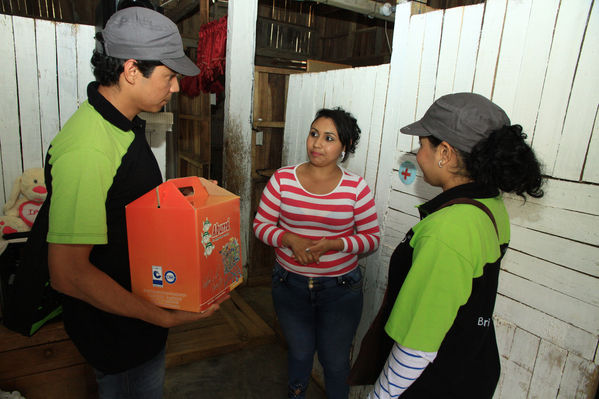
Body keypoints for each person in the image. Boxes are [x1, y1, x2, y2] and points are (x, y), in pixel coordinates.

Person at [25, 7, 227, 399]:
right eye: (169, 76)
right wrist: (164, 317)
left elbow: (124, 205)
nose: (173, 88)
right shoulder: (89, 146)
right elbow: (69, 273)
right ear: (132, 70)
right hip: (119, 331)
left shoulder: (122, 123)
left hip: (135, 315)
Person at [351, 93, 543, 398]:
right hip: (471, 366)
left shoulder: (449, 229)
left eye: (422, 144)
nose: (418, 154)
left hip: (435, 381)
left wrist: (380, 395)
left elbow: (418, 345)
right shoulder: (489, 205)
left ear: (445, 153)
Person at [253, 108, 381, 399]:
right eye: (314, 134)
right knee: (299, 354)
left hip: (341, 289)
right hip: (290, 284)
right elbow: (261, 226)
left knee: (335, 362)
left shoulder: (356, 188)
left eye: (328, 138)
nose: (317, 144)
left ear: (344, 147)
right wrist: (288, 238)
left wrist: (335, 244)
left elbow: (371, 239)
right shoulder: (283, 179)